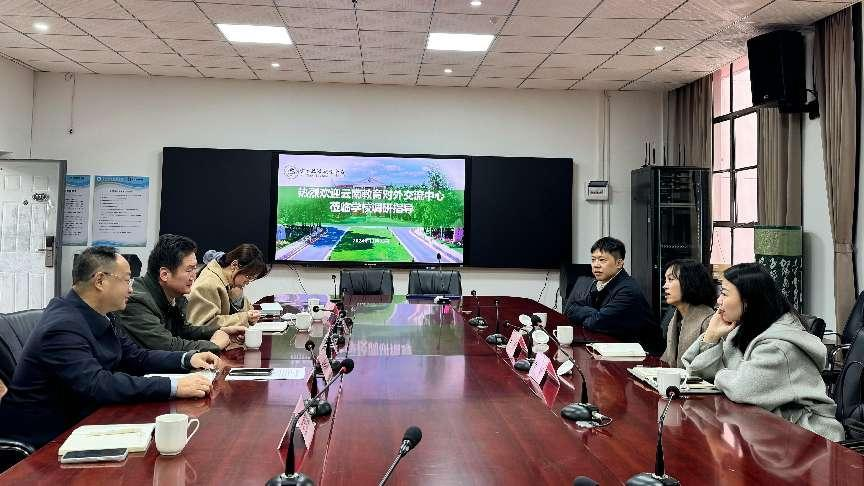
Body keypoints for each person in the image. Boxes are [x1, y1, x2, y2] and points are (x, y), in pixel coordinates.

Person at [0, 246, 218, 449]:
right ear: (100, 281)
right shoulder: (62, 326)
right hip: (47, 442)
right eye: (127, 280)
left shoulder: (101, 315)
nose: (131, 289)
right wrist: (174, 386)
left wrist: (186, 359)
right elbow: (97, 383)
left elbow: (136, 356)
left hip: (86, 422)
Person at [682, 263, 844, 441]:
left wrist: (719, 373)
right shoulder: (744, 330)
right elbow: (698, 374)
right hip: (768, 428)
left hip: (809, 437)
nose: (718, 301)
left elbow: (741, 390)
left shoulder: (778, 347)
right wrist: (711, 336)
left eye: (725, 294)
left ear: (748, 301)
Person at [113, 234, 244, 353]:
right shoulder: (136, 300)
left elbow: (183, 331)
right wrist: (213, 345)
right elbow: (165, 345)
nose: (194, 276)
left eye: (195, 268)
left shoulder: (175, 295)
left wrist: (219, 331)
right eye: (189, 270)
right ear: (164, 274)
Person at [564, 237, 664, 354]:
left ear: (619, 263)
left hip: (643, 354)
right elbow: (570, 310)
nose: (596, 265)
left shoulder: (627, 290)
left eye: (602, 260)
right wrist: (594, 313)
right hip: (613, 346)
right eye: (593, 260)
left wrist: (591, 315)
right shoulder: (599, 283)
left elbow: (595, 322)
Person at [186, 244, 268, 328]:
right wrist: (245, 317)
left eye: (252, 278)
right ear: (234, 265)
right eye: (248, 276)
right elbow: (204, 325)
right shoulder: (209, 284)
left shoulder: (230, 283)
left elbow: (249, 313)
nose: (248, 282)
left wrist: (239, 302)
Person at [660, 259, 717, 367]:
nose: (665, 286)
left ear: (690, 282)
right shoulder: (675, 316)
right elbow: (667, 360)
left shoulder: (709, 320)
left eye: (670, 279)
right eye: (665, 280)